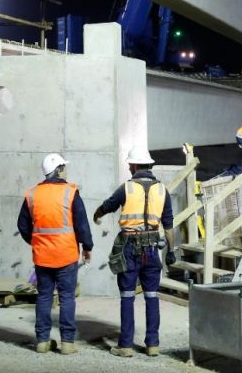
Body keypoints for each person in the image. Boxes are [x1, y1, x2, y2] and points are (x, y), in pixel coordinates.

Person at [92, 146, 174, 358]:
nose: (129, 168)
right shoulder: (162, 190)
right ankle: (152, 344)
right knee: (152, 296)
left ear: (136, 166)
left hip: (129, 247)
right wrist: (171, 251)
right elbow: (168, 225)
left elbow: (109, 205)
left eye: (130, 165)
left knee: (127, 296)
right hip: (152, 248)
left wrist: (97, 214)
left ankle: (126, 345)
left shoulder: (127, 188)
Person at [17, 153, 93, 355]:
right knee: (67, 297)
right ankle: (67, 343)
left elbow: (22, 225)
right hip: (66, 255)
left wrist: (36, 242)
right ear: (58, 170)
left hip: (42, 256)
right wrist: (87, 248)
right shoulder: (70, 192)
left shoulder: (32, 194)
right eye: (64, 167)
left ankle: (42, 341)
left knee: (44, 297)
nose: (66, 171)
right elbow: (82, 224)